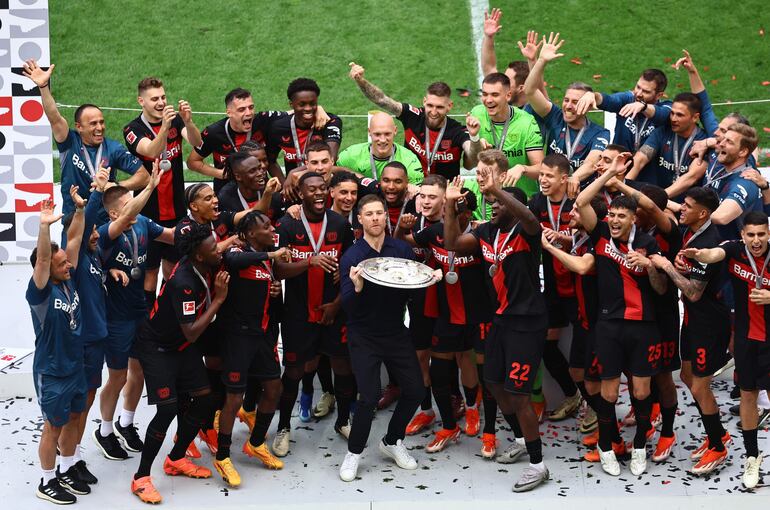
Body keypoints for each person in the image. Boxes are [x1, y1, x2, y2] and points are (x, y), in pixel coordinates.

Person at [444, 165, 550, 492]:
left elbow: (531, 219)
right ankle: (520, 437)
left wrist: (500, 190)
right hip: (501, 319)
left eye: (499, 202)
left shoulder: (526, 233)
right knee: (493, 381)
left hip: (527, 322)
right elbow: (451, 242)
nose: (493, 204)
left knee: (519, 395)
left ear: (512, 206)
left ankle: (538, 464)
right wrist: (449, 206)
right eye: (490, 200)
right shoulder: (486, 232)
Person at [574, 153, 668, 476]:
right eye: (611, 214)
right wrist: (610, 175)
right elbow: (583, 199)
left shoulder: (647, 243)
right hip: (609, 326)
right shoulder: (599, 235)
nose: (613, 220)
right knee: (609, 392)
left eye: (620, 216)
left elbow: (659, 289)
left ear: (632, 219)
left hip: (643, 327)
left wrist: (651, 269)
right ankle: (605, 446)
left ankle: (640, 444)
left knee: (642, 392)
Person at [338, 194, 439, 481]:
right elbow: (347, 305)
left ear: (386, 216)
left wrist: (428, 281)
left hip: (395, 331)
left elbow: (410, 291)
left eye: (379, 213)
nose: (374, 218)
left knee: (416, 391)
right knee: (368, 397)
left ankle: (392, 441)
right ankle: (354, 453)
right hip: (364, 335)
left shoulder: (400, 250)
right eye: (368, 214)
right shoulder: (353, 256)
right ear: (360, 219)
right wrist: (357, 287)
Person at [130, 221, 229, 504]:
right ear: (199, 255)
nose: (218, 250)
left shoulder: (201, 260)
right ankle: (141, 477)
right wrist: (219, 300)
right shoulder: (184, 282)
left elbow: (221, 249)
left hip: (181, 347)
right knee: (167, 410)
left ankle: (175, 459)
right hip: (158, 348)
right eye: (214, 248)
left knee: (206, 399)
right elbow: (192, 330)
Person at [398, 177, 489, 452]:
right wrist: (401, 231)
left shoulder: (481, 234)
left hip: (476, 313)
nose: (451, 217)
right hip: (443, 312)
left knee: (469, 363)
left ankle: (472, 408)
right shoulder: (433, 232)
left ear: (468, 214)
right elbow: (408, 243)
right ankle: (441, 420)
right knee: (434, 368)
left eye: (456, 212)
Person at [92, 164, 175, 461]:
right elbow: (128, 215)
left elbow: (172, 236)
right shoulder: (107, 232)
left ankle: (127, 424)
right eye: (130, 204)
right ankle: (104, 430)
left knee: (138, 371)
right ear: (114, 213)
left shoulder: (141, 222)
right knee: (117, 377)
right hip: (116, 317)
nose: (136, 209)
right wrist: (151, 186)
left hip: (139, 309)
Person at [683, 211, 770, 489]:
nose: (756, 241)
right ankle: (752, 456)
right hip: (745, 338)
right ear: (743, 234)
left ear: (768, 233)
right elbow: (713, 256)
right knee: (748, 397)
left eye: (761, 234)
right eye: (751, 235)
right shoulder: (733, 249)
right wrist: (700, 255)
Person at [650, 187, 732, 474]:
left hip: (710, 321)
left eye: (686, 206)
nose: (680, 209)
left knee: (699, 385)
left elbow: (695, 293)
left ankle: (719, 447)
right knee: (686, 376)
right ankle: (717, 434)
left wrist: (666, 267)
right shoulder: (691, 230)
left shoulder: (709, 241)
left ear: (703, 213)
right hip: (693, 319)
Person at [213, 212, 300, 485]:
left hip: (263, 336)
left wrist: (276, 289)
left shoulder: (265, 253)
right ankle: (223, 456)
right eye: (265, 227)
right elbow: (234, 260)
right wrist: (272, 256)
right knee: (234, 400)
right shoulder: (239, 252)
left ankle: (257, 442)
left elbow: (268, 284)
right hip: (238, 338)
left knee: (274, 388)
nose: (271, 229)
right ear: (250, 234)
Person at [273, 172, 355, 456]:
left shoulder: (340, 224)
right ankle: (284, 427)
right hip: (298, 314)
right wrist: (310, 262)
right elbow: (277, 270)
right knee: (294, 372)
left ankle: (344, 421)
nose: (319, 194)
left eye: (323, 188)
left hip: (333, 311)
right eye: (312, 190)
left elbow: (351, 263)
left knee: (342, 367)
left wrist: (338, 299)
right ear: (300, 193)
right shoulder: (287, 224)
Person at [22, 59, 147, 220]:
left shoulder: (113, 148)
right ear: (79, 127)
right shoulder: (69, 141)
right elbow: (54, 116)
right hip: (73, 221)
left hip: (104, 223)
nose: (100, 127)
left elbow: (144, 177)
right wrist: (43, 87)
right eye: (93, 123)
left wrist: (114, 186)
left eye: (101, 122)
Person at [27, 195, 90, 504]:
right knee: (54, 425)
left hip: (75, 365)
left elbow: (75, 238)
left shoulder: (66, 279)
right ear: (47, 268)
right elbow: (41, 260)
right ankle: (47, 480)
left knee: (76, 416)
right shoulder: (39, 293)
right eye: (61, 263)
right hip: (52, 372)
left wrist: (79, 209)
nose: (68, 265)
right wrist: (43, 227)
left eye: (66, 261)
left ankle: (67, 466)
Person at [61, 168, 122, 486]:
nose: (96, 235)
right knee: (75, 411)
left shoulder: (94, 257)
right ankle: (64, 465)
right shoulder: (74, 258)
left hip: (96, 341)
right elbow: (78, 234)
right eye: (91, 231)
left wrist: (109, 272)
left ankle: (74, 457)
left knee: (84, 407)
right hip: (82, 343)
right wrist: (92, 199)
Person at [123, 76, 203, 309]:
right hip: (148, 213)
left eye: (163, 97)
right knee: (149, 273)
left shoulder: (175, 121)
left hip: (177, 209)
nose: (160, 102)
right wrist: (166, 128)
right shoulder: (132, 128)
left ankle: (166, 314)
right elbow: (150, 150)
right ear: (141, 101)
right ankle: (146, 321)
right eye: (154, 98)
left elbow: (198, 144)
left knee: (173, 269)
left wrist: (188, 122)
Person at [528, 154, 583, 422]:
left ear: (564, 178)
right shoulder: (537, 202)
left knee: (583, 357)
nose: (543, 180)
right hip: (552, 287)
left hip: (579, 288)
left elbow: (591, 235)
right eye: (541, 174)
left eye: (549, 176)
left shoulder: (577, 201)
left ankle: (595, 406)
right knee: (546, 346)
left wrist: (564, 238)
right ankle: (573, 395)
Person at [348, 64, 477, 178]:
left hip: (443, 194)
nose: (433, 111)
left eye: (440, 107)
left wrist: (475, 138)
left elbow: (471, 159)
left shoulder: (456, 131)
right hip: (411, 188)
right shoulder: (413, 116)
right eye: (430, 105)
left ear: (449, 106)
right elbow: (382, 100)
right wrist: (361, 81)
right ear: (424, 101)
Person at [523, 34, 610, 196]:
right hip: (549, 195)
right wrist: (540, 61)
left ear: (588, 106)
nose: (568, 106)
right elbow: (529, 91)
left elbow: (592, 163)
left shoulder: (600, 133)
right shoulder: (555, 116)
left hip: (579, 197)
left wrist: (574, 177)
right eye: (566, 100)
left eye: (575, 102)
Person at [187, 88, 284, 192]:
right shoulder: (214, 132)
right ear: (229, 113)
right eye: (241, 109)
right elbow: (192, 162)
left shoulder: (263, 121)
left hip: (260, 188)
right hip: (227, 191)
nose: (249, 113)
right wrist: (221, 174)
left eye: (251, 107)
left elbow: (293, 114)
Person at [467, 72, 544, 198]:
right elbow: (469, 164)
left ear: (508, 96)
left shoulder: (526, 122)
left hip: (520, 199)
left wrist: (522, 168)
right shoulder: (477, 114)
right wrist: (475, 140)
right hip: (487, 197)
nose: (488, 100)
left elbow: (541, 169)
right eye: (485, 94)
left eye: (495, 95)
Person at [626, 93, 708, 197]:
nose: (673, 119)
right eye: (672, 113)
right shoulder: (661, 132)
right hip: (657, 198)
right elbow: (640, 159)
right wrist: (625, 185)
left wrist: (660, 197)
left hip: (686, 205)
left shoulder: (702, 142)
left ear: (695, 117)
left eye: (679, 115)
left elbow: (691, 177)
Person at [575, 69, 671, 152]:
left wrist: (643, 106)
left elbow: (662, 115)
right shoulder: (627, 99)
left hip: (648, 169)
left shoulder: (666, 106)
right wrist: (593, 95)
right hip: (618, 166)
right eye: (638, 87)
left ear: (659, 95)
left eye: (646, 91)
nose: (638, 93)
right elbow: (609, 100)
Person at [266, 78, 342, 179]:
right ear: (291, 104)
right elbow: (270, 161)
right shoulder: (278, 127)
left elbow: (331, 157)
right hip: (295, 187)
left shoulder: (330, 122)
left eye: (312, 103)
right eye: (302, 104)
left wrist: (293, 172)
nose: (308, 108)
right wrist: (284, 184)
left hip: (325, 184)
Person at [336, 112, 424, 184]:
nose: (382, 140)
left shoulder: (410, 161)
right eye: (377, 134)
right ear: (369, 132)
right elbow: (329, 171)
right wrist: (353, 174)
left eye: (387, 134)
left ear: (395, 131)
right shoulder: (350, 155)